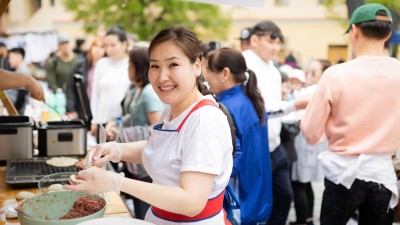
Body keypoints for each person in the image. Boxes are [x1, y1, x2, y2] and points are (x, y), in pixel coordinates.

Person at [65, 27, 234, 225]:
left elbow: (191, 202)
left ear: (197, 66)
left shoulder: (204, 120)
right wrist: (116, 150)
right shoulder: (172, 110)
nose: (162, 77)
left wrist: (116, 182)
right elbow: (164, 150)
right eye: (155, 66)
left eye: (173, 65)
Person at [301, 4, 400, 225]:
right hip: (382, 174)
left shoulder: (336, 75)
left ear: (354, 31)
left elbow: (310, 132)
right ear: (388, 34)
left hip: (342, 173)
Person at [243, 21, 307, 225]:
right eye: (271, 41)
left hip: (275, 144)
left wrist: (296, 113)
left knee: (285, 196)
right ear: (254, 40)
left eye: (278, 43)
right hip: (253, 148)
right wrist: (293, 106)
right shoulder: (244, 66)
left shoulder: (273, 69)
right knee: (255, 202)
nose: (276, 47)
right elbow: (257, 109)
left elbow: (277, 106)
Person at [205, 47, 272, 225]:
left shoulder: (224, 107)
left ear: (225, 73)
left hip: (238, 201)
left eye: (208, 71)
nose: (206, 78)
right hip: (258, 195)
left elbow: (232, 161)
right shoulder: (253, 98)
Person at [289, 59, 331, 225]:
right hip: (314, 142)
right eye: (308, 71)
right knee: (306, 184)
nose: (309, 75)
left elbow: (296, 116)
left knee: (299, 183)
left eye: (314, 73)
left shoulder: (313, 91)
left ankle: (301, 221)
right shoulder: (323, 90)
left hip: (305, 141)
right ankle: (308, 218)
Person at [90, 26, 130, 137]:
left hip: (124, 122)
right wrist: (95, 120)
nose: (109, 49)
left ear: (124, 44)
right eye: (106, 46)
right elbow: (95, 94)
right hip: (103, 120)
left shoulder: (131, 63)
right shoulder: (101, 64)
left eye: (113, 45)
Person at [6, 47, 32, 114]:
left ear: (19, 56)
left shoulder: (23, 72)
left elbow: (21, 96)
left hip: (18, 111)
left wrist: (15, 113)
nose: (9, 60)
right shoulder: (19, 71)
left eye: (10, 57)